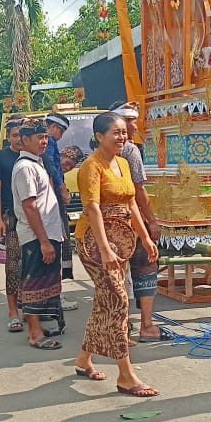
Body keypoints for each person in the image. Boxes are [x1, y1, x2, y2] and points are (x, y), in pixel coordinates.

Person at [73, 112, 159, 397]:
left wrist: (145, 237)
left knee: (105, 301)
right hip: (94, 243)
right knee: (119, 301)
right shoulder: (91, 167)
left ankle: (84, 359)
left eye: (124, 132)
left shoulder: (123, 162)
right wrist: (105, 248)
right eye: (116, 133)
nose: (122, 137)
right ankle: (125, 374)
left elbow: (132, 203)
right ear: (99, 137)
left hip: (122, 241)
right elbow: (93, 209)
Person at [112, 102, 165, 342]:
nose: (133, 126)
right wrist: (151, 222)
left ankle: (122, 325)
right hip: (130, 221)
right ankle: (146, 324)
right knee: (144, 268)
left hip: (111, 223)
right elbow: (139, 191)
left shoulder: (100, 153)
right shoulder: (130, 151)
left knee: (117, 275)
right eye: (128, 122)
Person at [12, 120, 67, 349]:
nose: (44, 142)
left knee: (46, 281)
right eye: (39, 138)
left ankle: (39, 326)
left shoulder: (38, 162)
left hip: (47, 232)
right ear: (25, 141)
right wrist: (44, 241)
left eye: (45, 137)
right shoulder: (25, 167)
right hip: (36, 235)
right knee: (33, 282)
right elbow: (29, 206)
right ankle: (34, 333)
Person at [0, 117, 27, 333]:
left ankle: (33, 308)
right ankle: (13, 312)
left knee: (34, 264)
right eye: (14, 136)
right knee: (13, 265)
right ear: (9, 137)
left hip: (35, 219)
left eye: (22, 136)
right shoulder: (0, 158)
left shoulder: (33, 156)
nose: (19, 140)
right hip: (11, 217)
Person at [44, 112, 79, 292]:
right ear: (54, 128)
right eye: (62, 131)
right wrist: (62, 188)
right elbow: (52, 167)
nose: (61, 136)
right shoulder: (49, 142)